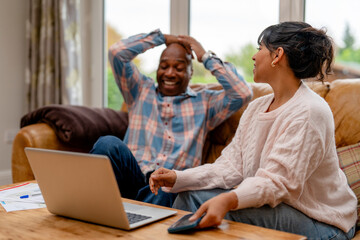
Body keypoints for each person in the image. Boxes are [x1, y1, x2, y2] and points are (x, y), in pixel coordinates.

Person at [149, 22, 357, 239]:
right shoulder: (258, 106)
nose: (254, 57)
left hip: (322, 221)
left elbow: (278, 184)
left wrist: (228, 200)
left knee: (217, 208)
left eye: (260, 49)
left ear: (277, 55)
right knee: (189, 195)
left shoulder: (309, 111)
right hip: (284, 208)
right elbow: (231, 166)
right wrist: (178, 177)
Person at [90, 29, 253, 207]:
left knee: (167, 188)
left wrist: (205, 56)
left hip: (166, 187)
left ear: (191, 73)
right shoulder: (140, 90)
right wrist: (162, 38)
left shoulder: (205, 102)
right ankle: (91, 207)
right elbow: (117, 53)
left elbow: (242, 93)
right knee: (107, 143)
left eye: (179, 68)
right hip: (131, 176)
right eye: (164, 66)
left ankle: (133, 218)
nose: (169, 73)